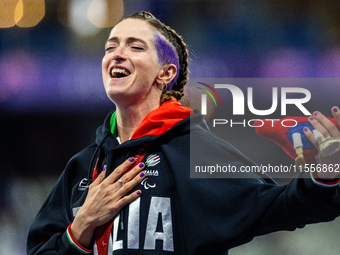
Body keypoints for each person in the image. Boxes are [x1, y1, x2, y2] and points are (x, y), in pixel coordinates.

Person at [27, 11, 340, 255]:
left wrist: (325, 173)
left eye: (135, 46)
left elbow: (280, 207)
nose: (116, 54)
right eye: (110, 47)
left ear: (166, 73)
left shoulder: (196, 151)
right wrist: (80, 226)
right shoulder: (81, 168)